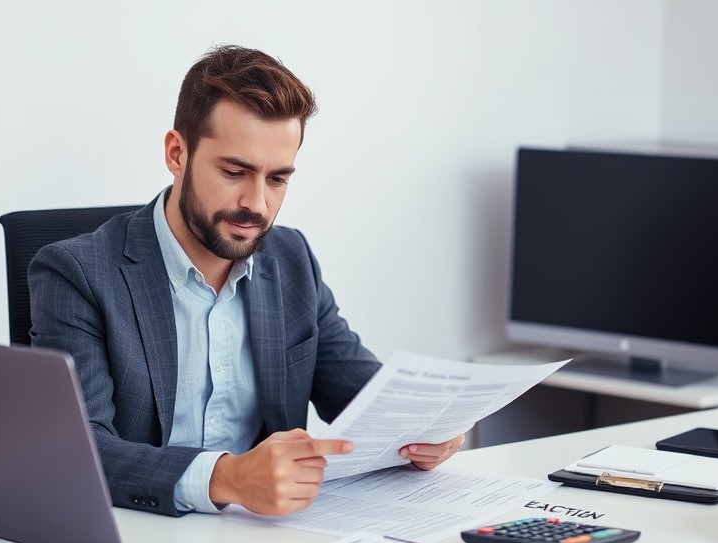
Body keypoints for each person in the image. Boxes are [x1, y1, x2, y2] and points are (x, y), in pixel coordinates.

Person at [28, 45, 464, 518]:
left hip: (265, 539)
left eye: (277, 179)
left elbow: (362, 394)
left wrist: (430, 428)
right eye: (235, 172)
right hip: (136, 532)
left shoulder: (290, 259)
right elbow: (81, 448)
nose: (256, 203)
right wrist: (226, 478)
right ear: (177, 153)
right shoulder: (77, 274)